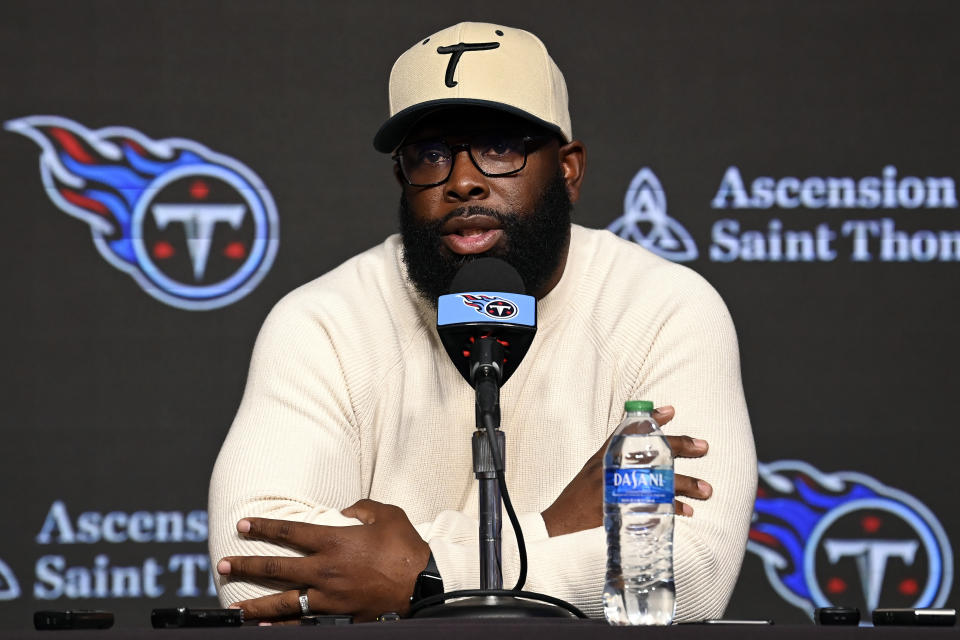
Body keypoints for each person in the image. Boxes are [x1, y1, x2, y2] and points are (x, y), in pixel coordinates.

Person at [208, 21, 757, 623]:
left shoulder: (663, 308)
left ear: (569, 169)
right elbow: (253, 571)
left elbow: (690, 573)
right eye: (431, 155)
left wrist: (416, 579)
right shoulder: (322, 322)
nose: (462, 181)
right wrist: (547, 530)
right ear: (402, 179)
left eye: (499, 146)